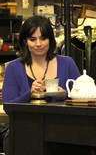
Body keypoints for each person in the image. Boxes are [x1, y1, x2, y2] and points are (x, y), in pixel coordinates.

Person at [2, 15, 81, 155]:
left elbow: (83, 99)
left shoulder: (67, 63)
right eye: (32, 39)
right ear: (25, 41)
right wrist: (29, 95)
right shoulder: (13, 68)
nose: (38, 44)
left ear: (50, 40)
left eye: (43, 38)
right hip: (24, 133)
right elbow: (9, 107)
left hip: (65, 134)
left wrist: (66, 95)